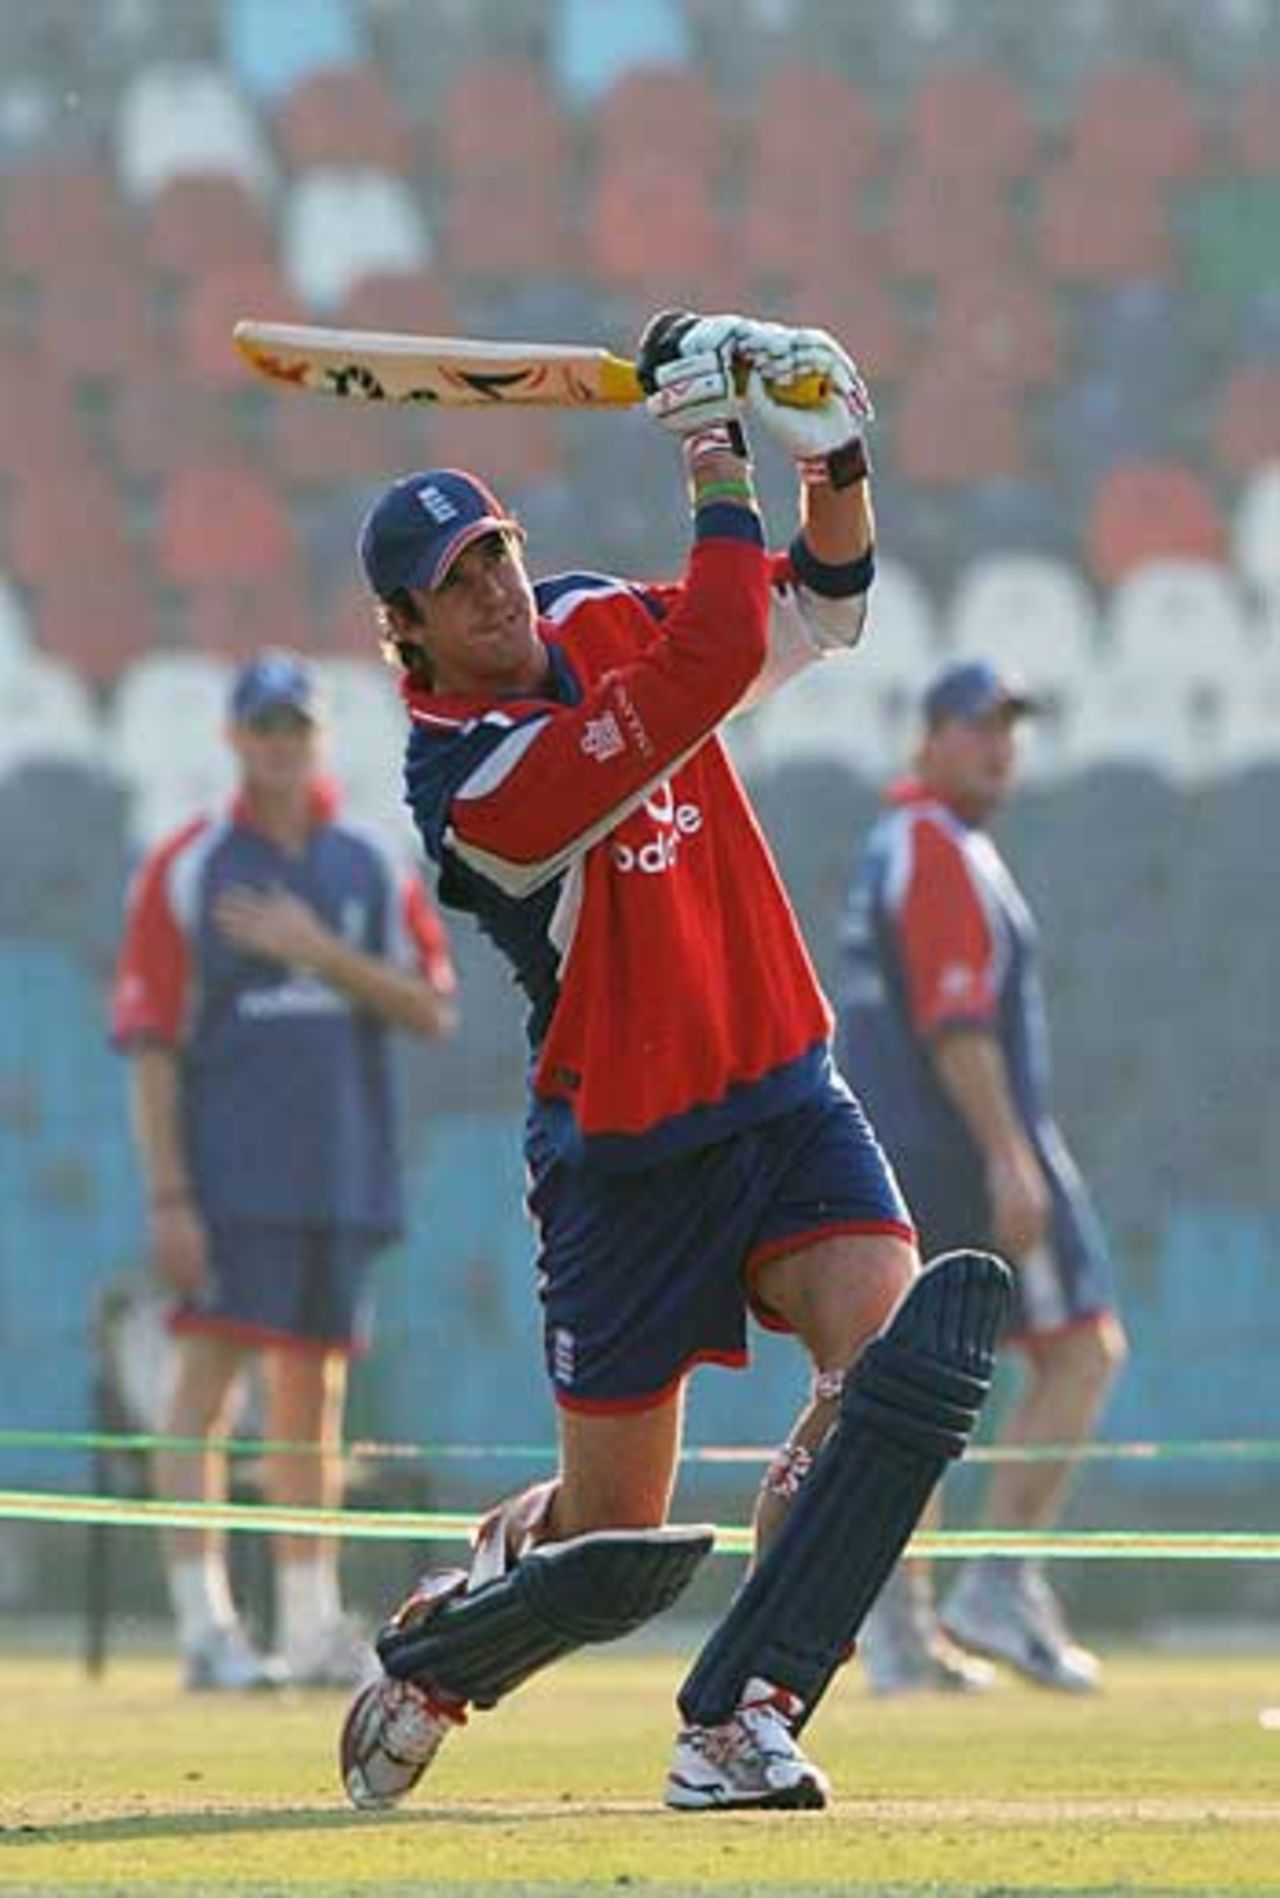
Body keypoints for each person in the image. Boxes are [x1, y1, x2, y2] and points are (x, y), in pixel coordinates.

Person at [333, 309, 1012, 1814]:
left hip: (779, 1084)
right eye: (455, 586)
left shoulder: (587, 615)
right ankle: (447, 1640)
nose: (496, 592)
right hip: (627, 1156)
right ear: (411, 635)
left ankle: (743, 1716)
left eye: (497, 552)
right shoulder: (473, 789)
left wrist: (831, 452)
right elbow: (706, 657)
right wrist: (712, 449)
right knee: (608, 1552)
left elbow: (814, 609)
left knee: (895, 1378)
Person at [111, 649, 458, 1691]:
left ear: (316, 737)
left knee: (316, 1396)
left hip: (339, 1167)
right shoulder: (191, 863)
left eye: (293, 727)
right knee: (206, 1388)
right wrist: (170, 1192)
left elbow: (432, 1006)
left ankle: (309, 1621)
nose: (278, 745)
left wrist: (316, 950)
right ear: (234, 740)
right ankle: (207, 1624)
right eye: (261, 728)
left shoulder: (365, 861)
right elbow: (152, 1043)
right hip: (229, 1174)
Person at [835, 658, 1128, 1696]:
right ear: (927, 738)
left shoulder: (896, 844)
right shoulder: (937, 847)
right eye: (975, 725)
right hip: (961, 1148)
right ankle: (993, 1582)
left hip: (897, 1151)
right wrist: (1010, 1152)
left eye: (1007, 725)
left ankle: (903, 1625)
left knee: (912, 1392)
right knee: (1079, 1348)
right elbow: (956, 1023)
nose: (998, 744)